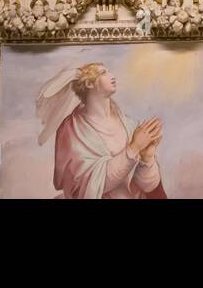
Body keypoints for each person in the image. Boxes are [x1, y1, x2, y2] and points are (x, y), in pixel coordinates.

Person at [37, 62, 166, 198]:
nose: (112, 75)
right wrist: (133, 148)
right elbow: (88, 185)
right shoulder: (71, 130)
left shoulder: (130, 125)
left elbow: (145, 187)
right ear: (89, 84)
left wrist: (147, 158)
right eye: (103, 73)